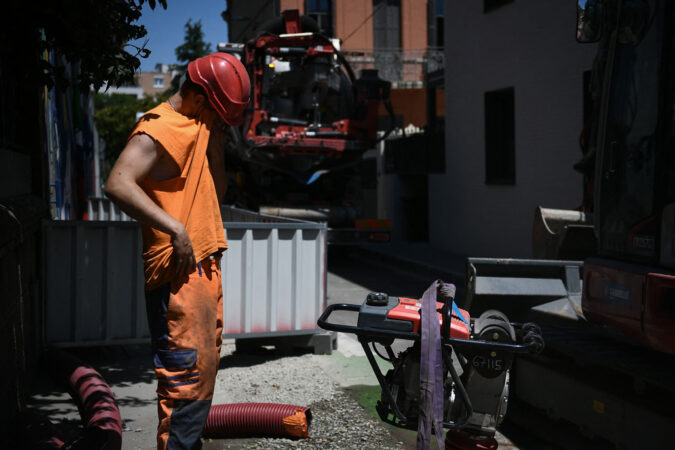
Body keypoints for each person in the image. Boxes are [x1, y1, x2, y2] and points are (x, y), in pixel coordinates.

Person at [104, 52, 250, 449]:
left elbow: (214, 194)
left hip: (203, 267)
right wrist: (174, 228)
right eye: (218, 112)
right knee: (184, 384)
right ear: (202, 96)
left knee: (202, 375)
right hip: (177, 275)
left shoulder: (199, 126)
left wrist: (218, 139)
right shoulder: (158, 129)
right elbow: (117, 183)